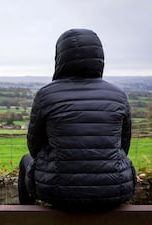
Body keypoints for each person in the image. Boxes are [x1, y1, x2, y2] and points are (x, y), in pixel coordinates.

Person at [18, 28, 136, 209]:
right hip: (113, 190)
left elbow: (34, 146)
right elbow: (123, 146)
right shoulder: (118, 95)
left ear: (60, 57)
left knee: (25, 160)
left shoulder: (46, 94)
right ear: (98, 57)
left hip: (57, 192)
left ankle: (25, 217)